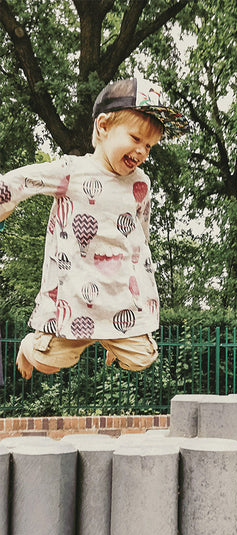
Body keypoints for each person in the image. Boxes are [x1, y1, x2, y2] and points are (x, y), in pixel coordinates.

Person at [0, 77, 188, 379]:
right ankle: (29, 345)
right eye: (136, 138)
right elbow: (22, 180)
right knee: (47, 364)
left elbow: (141, 232)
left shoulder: (141, 183)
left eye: (149, 146)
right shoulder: (72, 171)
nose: (142, 151)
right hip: (75, 296)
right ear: (103, 127)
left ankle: (112, 338)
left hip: (118, 299)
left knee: (144, 357)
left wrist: (140, 277)